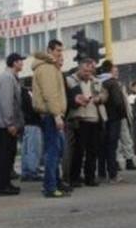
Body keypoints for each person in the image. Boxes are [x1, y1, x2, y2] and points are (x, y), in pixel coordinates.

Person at [32, 40, 69, 198]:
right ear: (49, 50)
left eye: (61, 50)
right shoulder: (47, 68)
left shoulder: (51, 67)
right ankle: (50, 186)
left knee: (56, 149)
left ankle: (55, 183)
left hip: (52, 114)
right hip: (51, 114)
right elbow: (50, 93)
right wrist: (56, 115)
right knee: (53, 152)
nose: (60, 53)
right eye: (57, 50)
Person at [66, 58, 108, 187]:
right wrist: (77, 99)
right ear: (79, 68)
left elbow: (105, 95)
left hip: (95, 119)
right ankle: (74, 177)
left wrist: (99, 98)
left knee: (93, 150)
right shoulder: (70, 80)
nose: (88, 72)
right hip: (80, 119)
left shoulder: (96, 81)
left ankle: (90, 177)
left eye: (90, 70)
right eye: (85, 70)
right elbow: (67, 98)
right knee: (78, 151)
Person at [0, 53, 25, 196]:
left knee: (9, 156)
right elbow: (6, 102)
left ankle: (6, 184)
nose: (22, 64)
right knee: (4, 157)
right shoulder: (6, 78)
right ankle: (2, 187)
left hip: (7, 124)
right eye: (20, 61)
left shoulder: (11, 78)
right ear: (14, 63)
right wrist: (10, 123)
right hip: (4, 126)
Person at [98, 60, 131, 183]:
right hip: (113, 118)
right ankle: (113, 175)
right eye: (115, 69)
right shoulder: (112, 83)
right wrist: (122, 114)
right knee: (112, 147)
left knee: (102, 147)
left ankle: (101, 173)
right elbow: (118, 102)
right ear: (110, 70)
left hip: (100, 118)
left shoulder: (97, 81)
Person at [19, 85, 43, 182]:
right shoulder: (29, 95)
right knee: (34, 149)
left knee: (25, 149)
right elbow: (34, 109)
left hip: (25, 124)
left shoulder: (21, 93)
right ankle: (33, 171)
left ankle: (25, 171)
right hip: (33, 123)